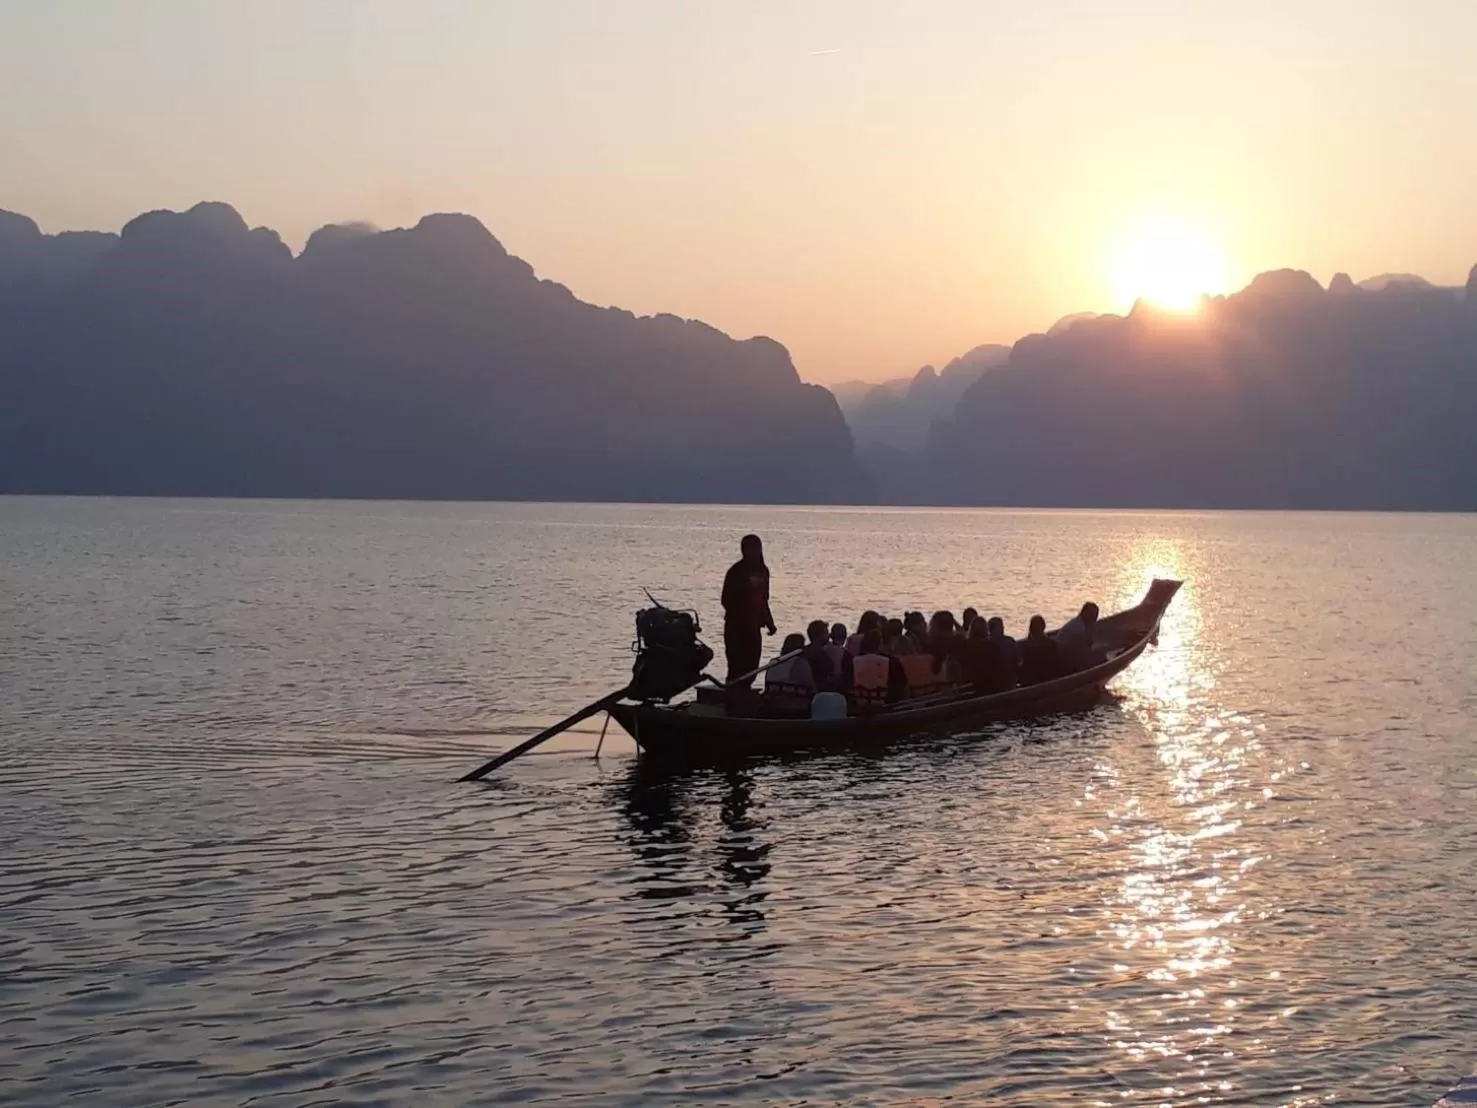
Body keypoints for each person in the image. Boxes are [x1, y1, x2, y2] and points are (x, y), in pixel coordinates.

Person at [721, 534, 776, 695]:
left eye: (757, 548)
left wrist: (769, 622)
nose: (754, 552)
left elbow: (764, 600)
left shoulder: (763, 571)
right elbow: (726, 599)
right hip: (736, 627)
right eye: (750, 548)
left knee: (752, 664)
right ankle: (732, 697)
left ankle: (745, 693)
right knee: (736, 664)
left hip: (754, 628)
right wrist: (742, 617)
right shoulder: (736, 571)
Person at [849, 629, 907, 705]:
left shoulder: (852, 663)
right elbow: (901, 685)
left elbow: (846, 685)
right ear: (880, 644)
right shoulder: (892, 662)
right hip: (886, 705)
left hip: (858, 704)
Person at [1056, 601, 1100, 671]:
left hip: (1066, 656)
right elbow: (1084, 649)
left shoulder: (1080, 624)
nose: (1094, 619)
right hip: (1063, 660)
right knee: (1099, 655)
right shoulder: (1078, 628)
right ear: (1084, 614)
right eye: (1092, 615)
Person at [1018, 614, 1061, 685]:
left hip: (1031, 680)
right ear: (1043, 627)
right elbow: (1057, 663)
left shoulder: (1025, 646)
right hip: (1047, 678)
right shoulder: (1051, 644)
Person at [802, 619, 839, 692]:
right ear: (820, 635)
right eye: (826, 633)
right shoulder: (821, 655)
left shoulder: (804, 651)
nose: (829, 636)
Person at [987, 616, 1021, 689]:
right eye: (1002, 626)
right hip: (1008, 682)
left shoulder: (986, 644)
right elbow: (1018, 662)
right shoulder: (1009, 641)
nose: (1003, 628)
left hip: (992, 683)